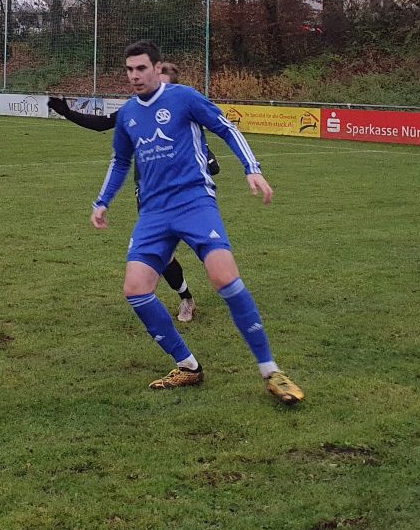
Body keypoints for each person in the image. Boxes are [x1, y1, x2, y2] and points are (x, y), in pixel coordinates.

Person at [91, 39, 304, 404]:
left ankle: (271, 370)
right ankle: (188, 366)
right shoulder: (127, 114)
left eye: (141, 68)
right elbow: (121, 161)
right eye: (129, 70)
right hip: (154, 212)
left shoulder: (184, 98)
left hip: (193, 201)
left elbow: (226, 128)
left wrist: (252, 169)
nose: (134, 76)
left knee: (224, 276)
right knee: (136, 289)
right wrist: (103, 201)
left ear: (158, 68)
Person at [48, 61, 218, 323]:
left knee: (209, 253)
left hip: (188, 197)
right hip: (150, 196)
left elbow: (201, 148)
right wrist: (68, 113)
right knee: (164, 255)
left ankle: (225, 282)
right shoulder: (136, 110)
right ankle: (186, 298)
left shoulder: (183, 107)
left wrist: (208, 158)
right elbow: (102, 124)